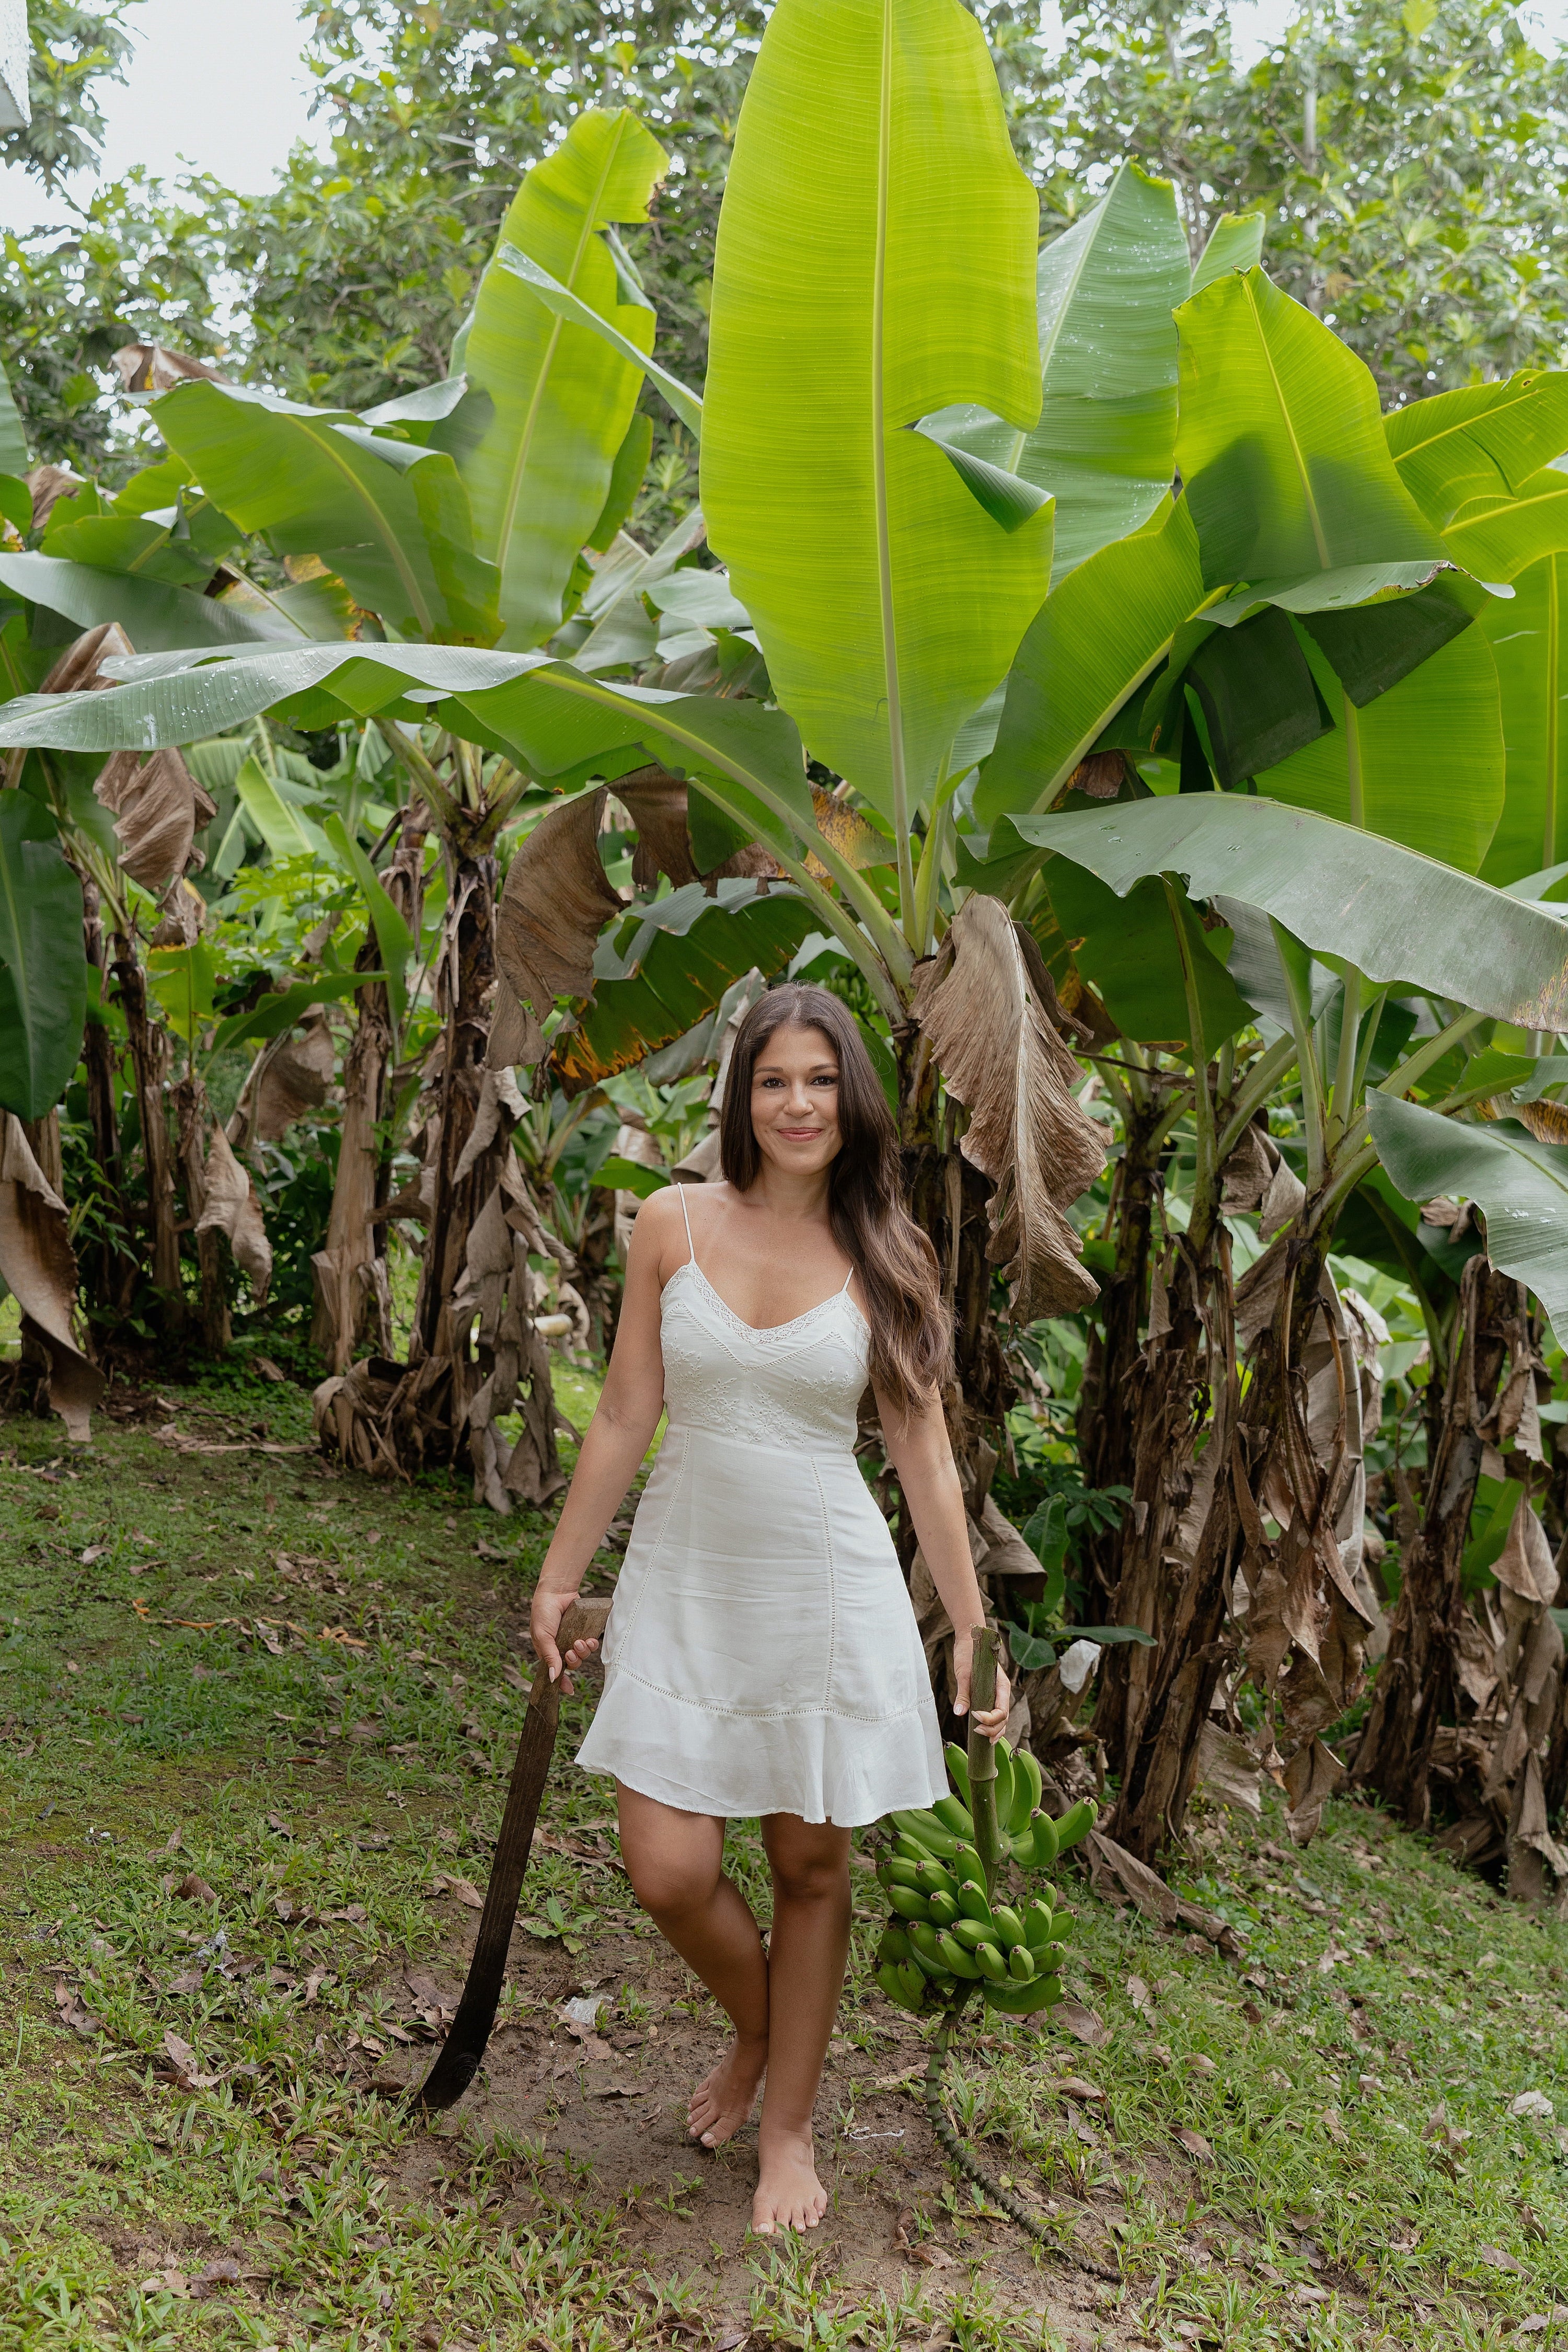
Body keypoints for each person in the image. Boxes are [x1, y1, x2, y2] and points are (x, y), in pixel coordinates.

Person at [531, 983, 1010, 2235]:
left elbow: (927, 1462)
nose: (796, 1105)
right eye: (771, 1081)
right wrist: (557, 1577)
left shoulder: (887, 1257)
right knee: (669, 1869)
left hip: (826, 1588)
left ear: (853, 1102)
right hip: (684, 1576)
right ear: (742, 1097)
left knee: (810, 1864)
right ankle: (760, 2027)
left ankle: (789, 2126)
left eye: (818, 1081)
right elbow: (628, 1412)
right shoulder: (671, 1223)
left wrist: (971, 1631)